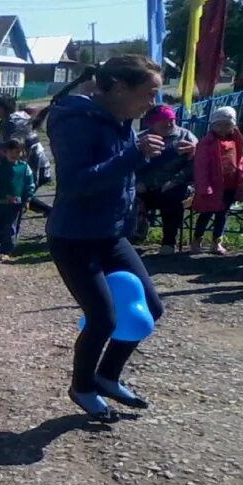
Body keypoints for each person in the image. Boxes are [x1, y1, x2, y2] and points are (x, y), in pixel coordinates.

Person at [42, 55, 166, 421]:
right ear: (119, 87)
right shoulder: (74, 121)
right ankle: (81, 387)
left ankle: (107, 376)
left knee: (152, 309)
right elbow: (79, 182)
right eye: (149, 93)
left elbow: (126, 175)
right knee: (103, 319)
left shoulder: (121, 119)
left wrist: (168, 155)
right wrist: (134, 155)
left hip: (111, 234)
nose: (153, 103)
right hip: (75, 237)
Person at [191, 106, 243, 255]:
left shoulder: (235, 142)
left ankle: (216, 242)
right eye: (219, 124)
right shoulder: (206, 144)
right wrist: (204, 186)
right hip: (212, 187)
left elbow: (241, 160)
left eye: (227, 125)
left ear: (233, 126)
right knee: (206, 214)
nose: (223, 128)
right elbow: (201, 167)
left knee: (222, 214)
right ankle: (196, 240)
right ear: (212, 125)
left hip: (229, 185)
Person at [133, 105, 197, 253]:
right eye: (163, 122)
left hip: (175, 185)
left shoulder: (186, 137)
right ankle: (135, 233)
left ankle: (168, 242)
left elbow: (192, 166)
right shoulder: (142, 138)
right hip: (146, 186)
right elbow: (133, 163)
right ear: (152, 124)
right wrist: (139, 181)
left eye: (171, 121)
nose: (169, 125)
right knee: (130, 196)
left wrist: (174, 181)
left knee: (172, 200)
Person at [0, 138, 35, 261]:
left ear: (22, 153)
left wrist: (27, 200)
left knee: (11, 227)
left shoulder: (24, 168)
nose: (14, 154)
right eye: (11, 151)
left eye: (18, 152)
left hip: (15, 204)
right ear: (5, 152)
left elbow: (29, 185)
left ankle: (6, 249)